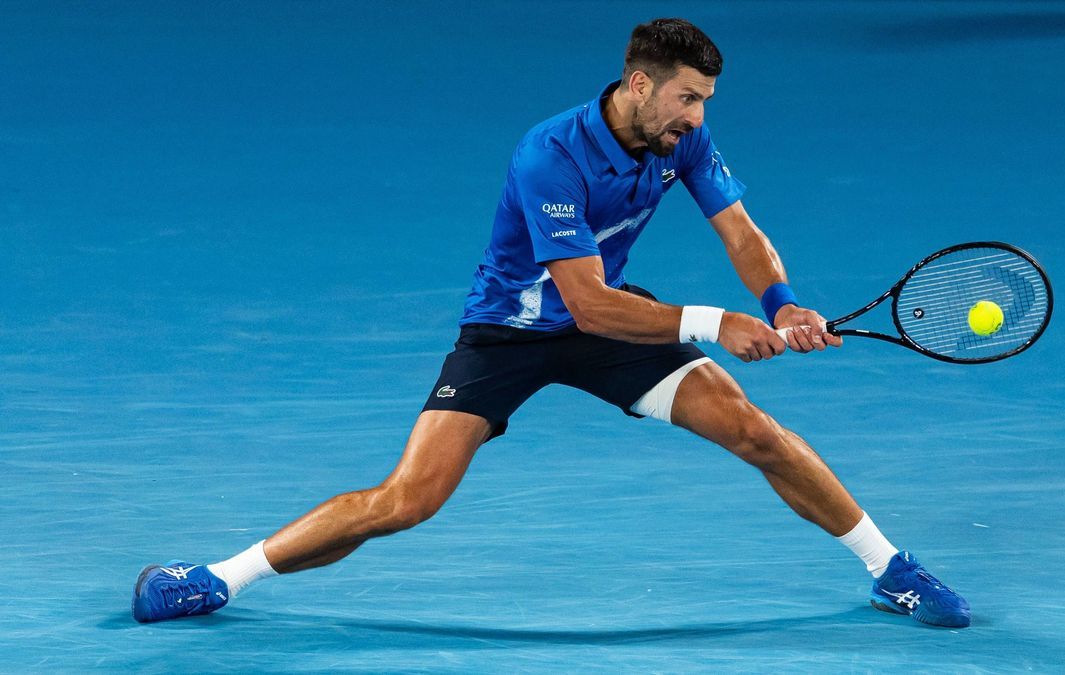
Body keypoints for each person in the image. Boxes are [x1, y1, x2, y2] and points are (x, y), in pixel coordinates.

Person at [132, 18, 970, 629]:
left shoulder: (684, 141)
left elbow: (740, 231)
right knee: (406, 500)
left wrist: (780, 302)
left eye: (707, 101)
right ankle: (214, 577)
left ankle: (888, 567)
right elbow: (584, 304)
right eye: (687, 98)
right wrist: (717, 321)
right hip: (511, 332)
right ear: (639, 83)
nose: (697, 117)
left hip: (615, 320)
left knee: (753, 429)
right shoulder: (550, 155)